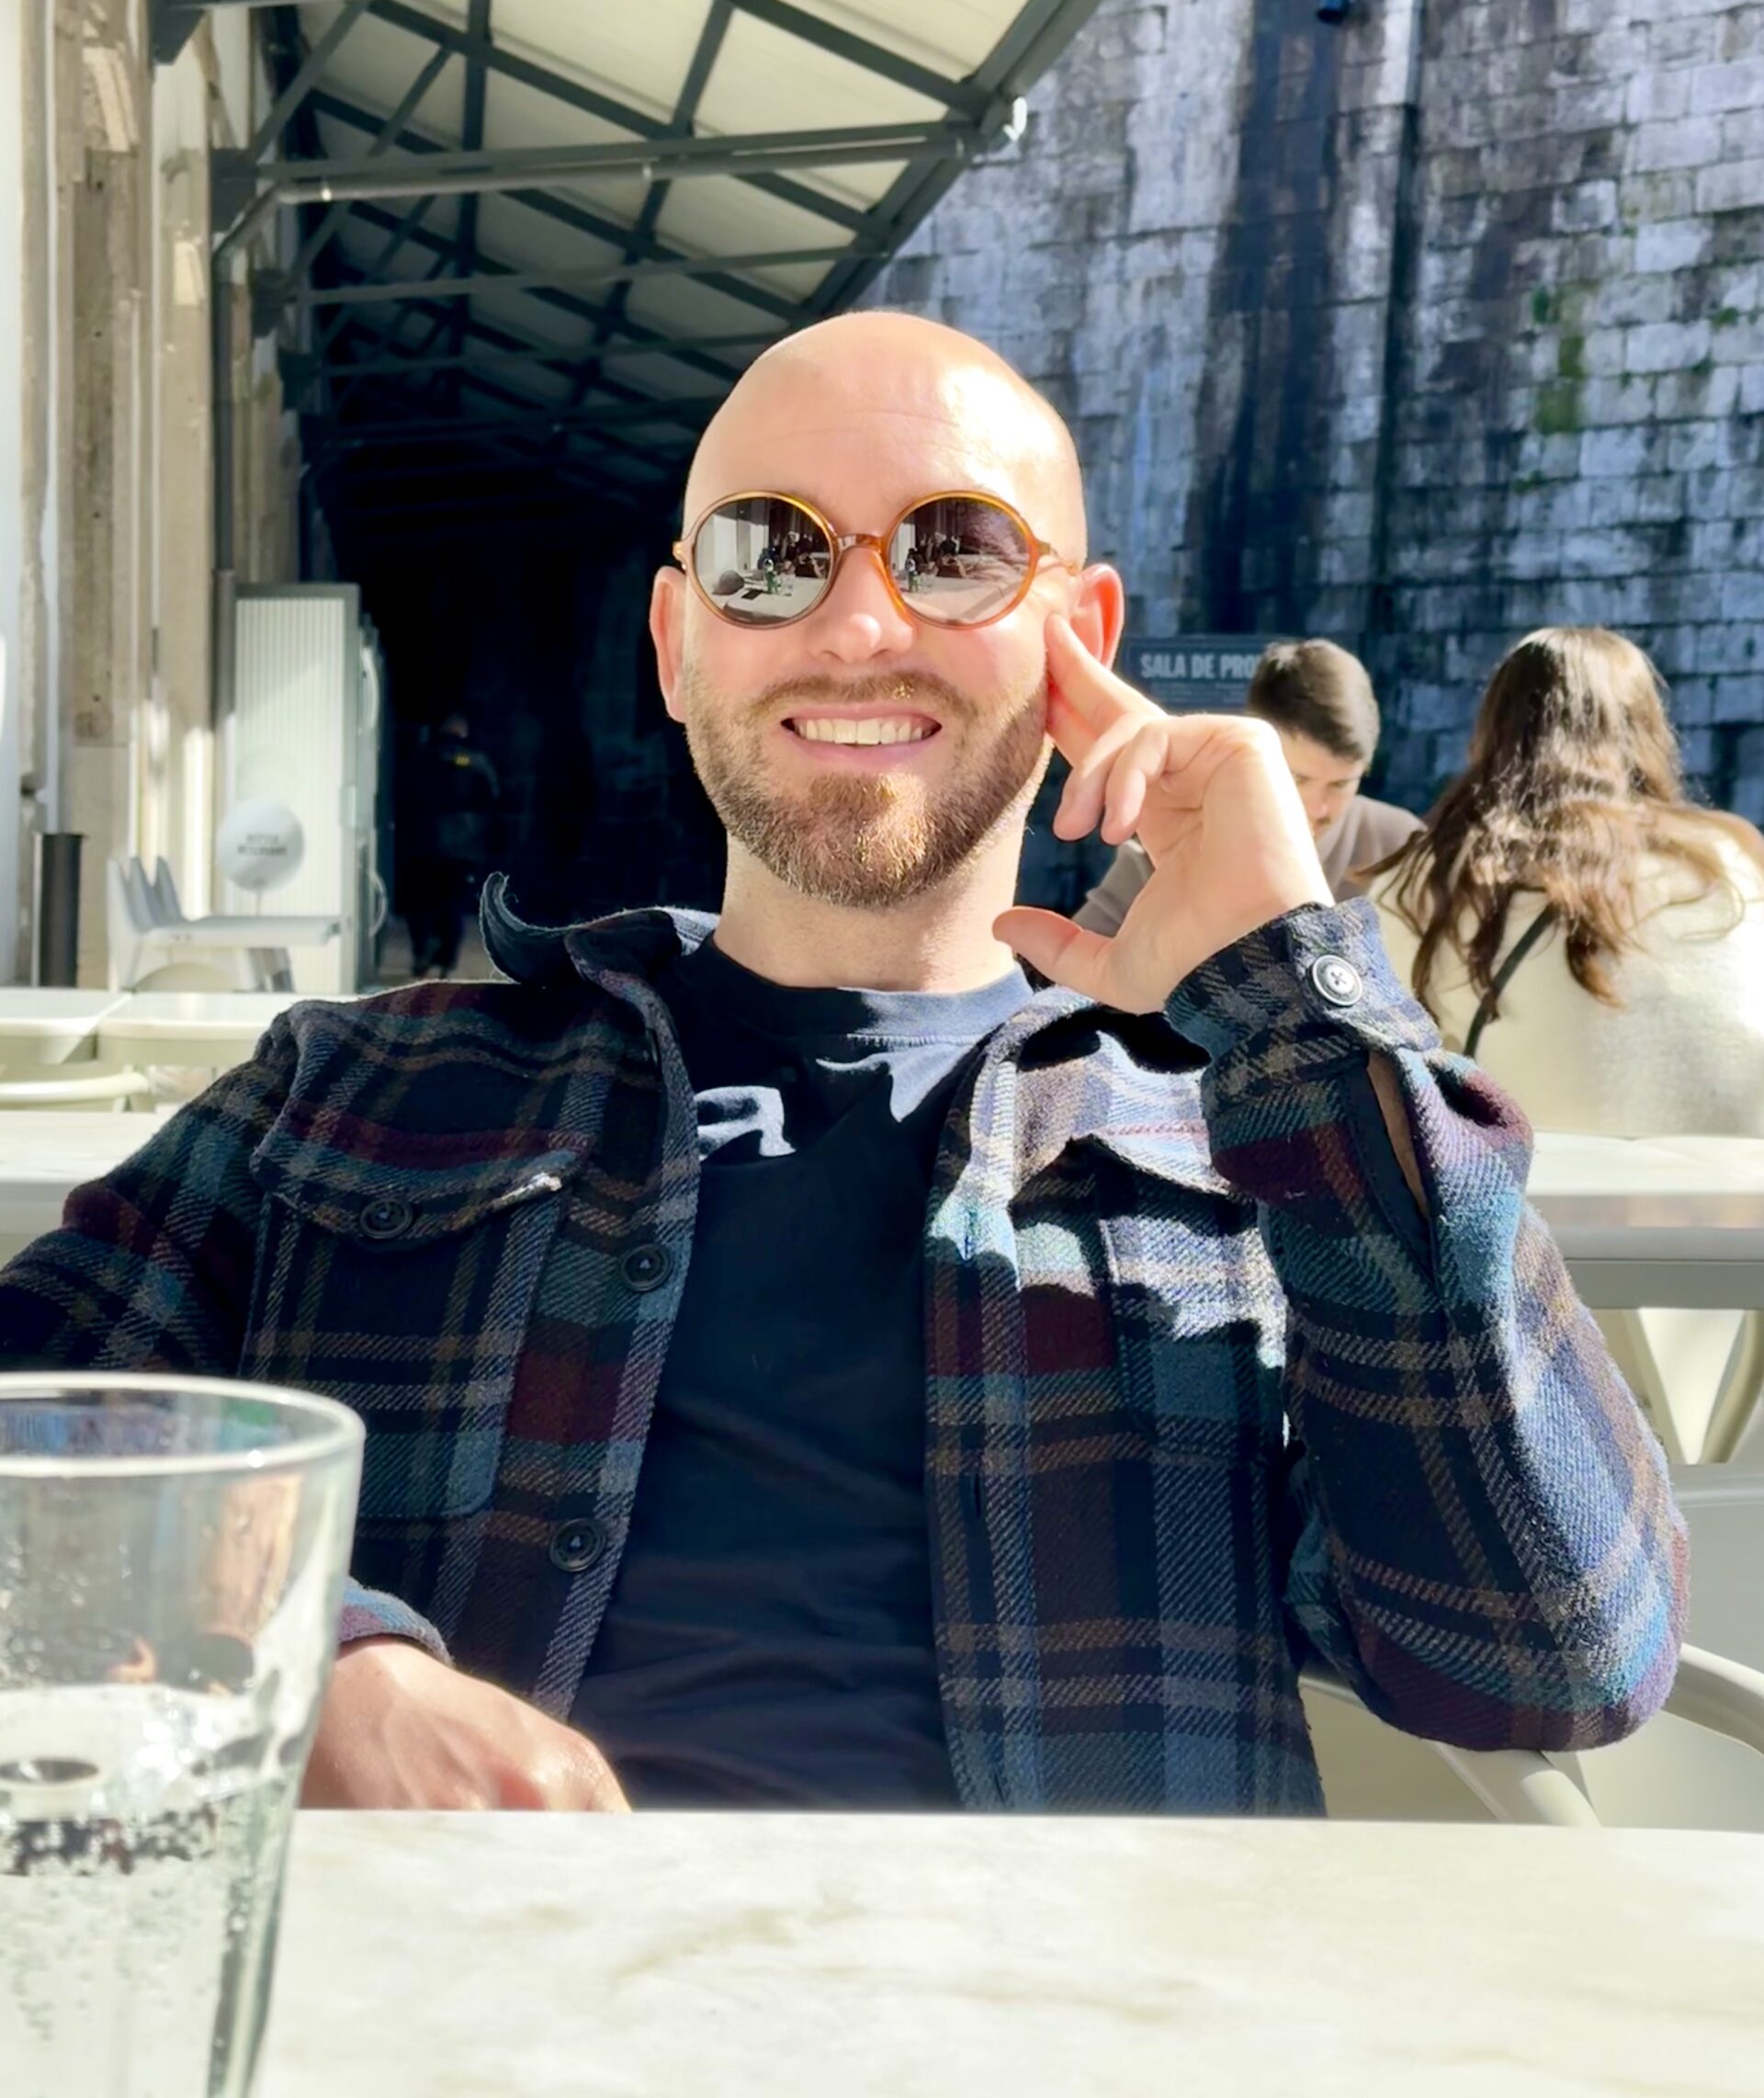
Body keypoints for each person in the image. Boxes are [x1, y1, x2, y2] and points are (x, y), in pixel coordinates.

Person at [0, 314, 1681, 1817]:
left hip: (1079, 2017)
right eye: (769, 554)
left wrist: (1293, 999)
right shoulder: (364, 1086)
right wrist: (315, 1658)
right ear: (679, 642)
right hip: (458, 2008)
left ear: (1080, 630)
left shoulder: (1251, 1142)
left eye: (954, 552)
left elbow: (1551, 1651)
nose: (861, 624)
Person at [1368, 626, 1764, 1133]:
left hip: (1541, 1177)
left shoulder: (1432, 879)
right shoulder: (1729, 859)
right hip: (1737, 1175)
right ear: (1646, 731)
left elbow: (1384, 1069)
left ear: (1494, 730)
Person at [1075, 638, 1420, 932]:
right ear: (1251, 753)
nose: (1318, 808)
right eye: (1298, 778)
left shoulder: (1402, 848)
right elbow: (1070, 970)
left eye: (1341, 784)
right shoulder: (1177, 839)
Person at [401, 711, 501, 978]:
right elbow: (491, 795)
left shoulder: (422, 757)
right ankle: (447, 959)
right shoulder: (476, 761)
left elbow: (406, 794)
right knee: (452, 903)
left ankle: (422, 951)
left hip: (424, 840)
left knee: (420, 901)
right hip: (461, 844)